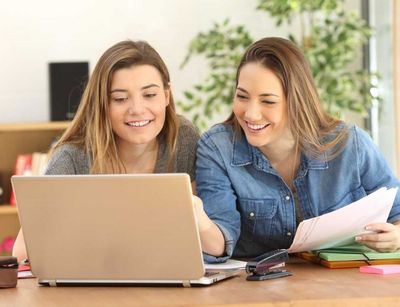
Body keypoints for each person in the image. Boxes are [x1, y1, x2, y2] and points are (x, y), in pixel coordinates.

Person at [194, 37, 400, 262]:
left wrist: (396, 236)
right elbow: (221, 240)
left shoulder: (350, 144)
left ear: (297, 101)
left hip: (345, 283)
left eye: (268, 101)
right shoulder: (217, 148)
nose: (251, 114)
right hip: (255, 289)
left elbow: (397, 213)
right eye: (242, 96)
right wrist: (196, 217)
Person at [13, 40, 200, 261]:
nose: (137, 110)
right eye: (120, 99)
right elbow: (22, 254)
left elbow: (196, 233)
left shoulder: (183, 137)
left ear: (167, 96)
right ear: (103, 104)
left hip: (166, 276)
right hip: (90, 285)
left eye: (149, 95)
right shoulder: (73, 158)